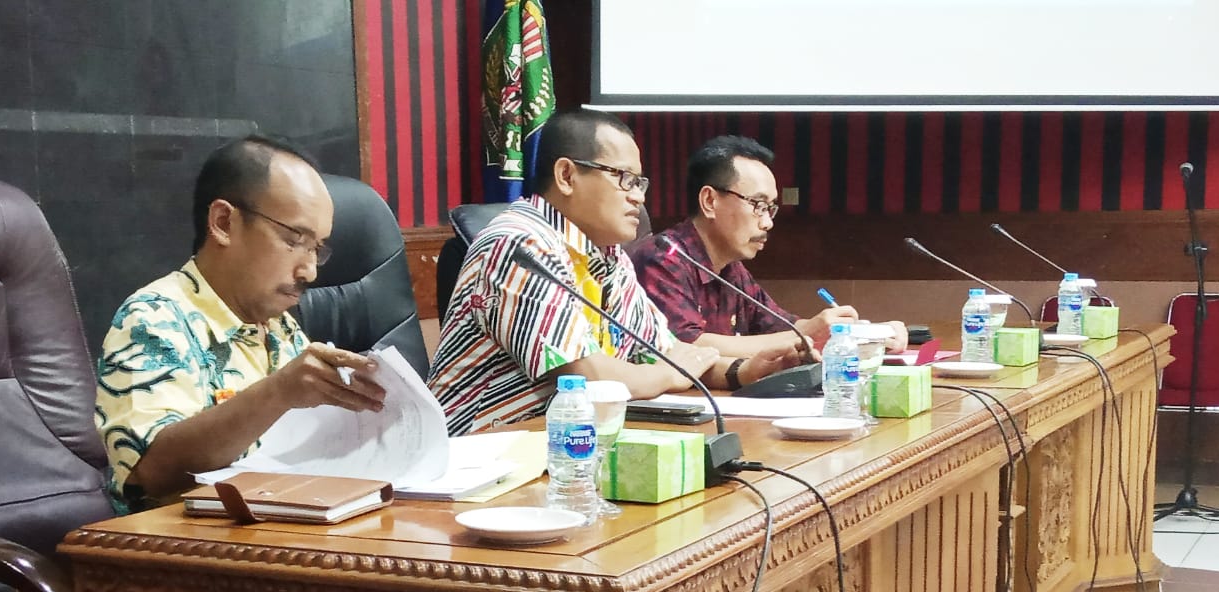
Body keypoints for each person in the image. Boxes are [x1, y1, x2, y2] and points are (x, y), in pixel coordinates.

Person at [427, 110, 795, 436]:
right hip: (471, 462)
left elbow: (665, 351)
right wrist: (667, 375)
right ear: (567, 175)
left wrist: (743, 372)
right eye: (625, 179)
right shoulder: (521, 244)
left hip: (563, 449)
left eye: (640, 183)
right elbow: (587, 377)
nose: (639, 197)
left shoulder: (609, 258)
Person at [95, 134, 386, 512]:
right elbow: (150, 474)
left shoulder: (280, 328)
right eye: (294, 239)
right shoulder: (154, 319)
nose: (310, 271)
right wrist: (278, 393)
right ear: (223, 222)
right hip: (180, 554)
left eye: (317, 248)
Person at [629, 135, 908, 360]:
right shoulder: (663, 258)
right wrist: (808, 334)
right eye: (758, 206)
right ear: (710, 201)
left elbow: (780, 326)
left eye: (771, 209)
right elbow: (687, 346)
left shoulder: (730, 268)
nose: (768, 223)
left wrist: (869, 333)